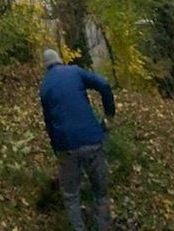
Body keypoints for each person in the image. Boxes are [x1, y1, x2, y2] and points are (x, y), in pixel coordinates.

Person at [39, 48, 115, 231]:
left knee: (71, 196)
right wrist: (109, 115)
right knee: (101, 191)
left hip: (66, 146)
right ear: (59, 60)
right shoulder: (74, 71)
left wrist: (56, 149)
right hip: (92, 139)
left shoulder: (45, 87)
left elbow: (49, 123)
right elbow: (104, 84)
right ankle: (102, 227)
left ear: (45, 66)